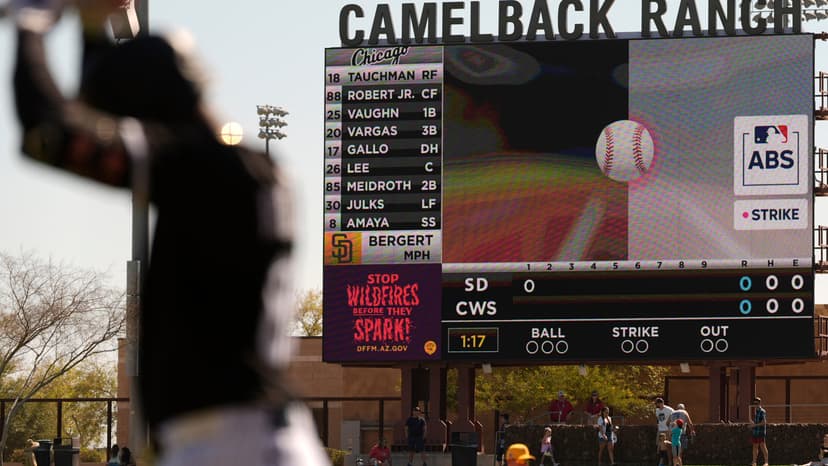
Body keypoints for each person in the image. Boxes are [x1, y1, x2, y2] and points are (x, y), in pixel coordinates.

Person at [10, 2, 329, 466]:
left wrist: (31, 23)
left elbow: (48, 131)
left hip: (229, 443)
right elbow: (101, 104)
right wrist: (96, 21)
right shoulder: (243, 168)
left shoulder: (206, 171)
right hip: (251, 434)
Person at [751, 396, 769, 466]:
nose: (755, 405)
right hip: (755, 432)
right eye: (754, 403)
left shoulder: (762, 411)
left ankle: (766, 462)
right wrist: (752, 424)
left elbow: (764, 422)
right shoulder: (756, 411)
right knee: (755, 446)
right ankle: (754, 462)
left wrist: (754, 425)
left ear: (759, 403)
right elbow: (757, 422)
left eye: (756, 403)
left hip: (761, 432)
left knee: (762, 446)